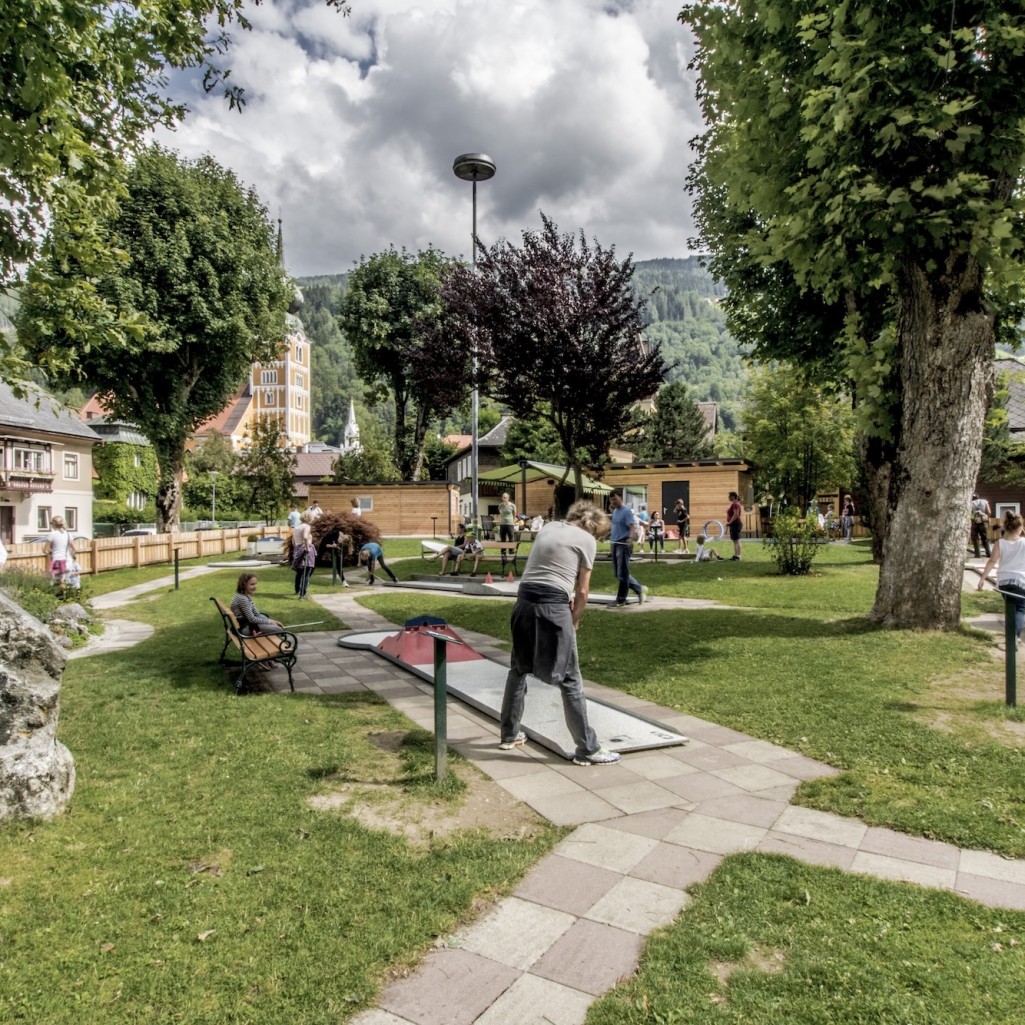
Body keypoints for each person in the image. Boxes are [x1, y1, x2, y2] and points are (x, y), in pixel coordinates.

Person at [498, 500, 621, 765]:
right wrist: (574, 620)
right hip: (553, 606)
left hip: (523, 603)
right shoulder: (587, 541)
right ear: (595, 528)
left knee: (518, 670)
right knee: (570, 678)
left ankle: (509, 734)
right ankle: (587, 749)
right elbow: (583, 592)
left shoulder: (549, 527)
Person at [978, 511, 1025, 639]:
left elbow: (992, 561)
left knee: (1010, 609)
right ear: (1020, 528)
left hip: (1004, 581)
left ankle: (1011, 636)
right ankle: (1014, 637)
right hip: (1020, 580)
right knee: (1020, 609)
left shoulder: (1000, 543)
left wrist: (983, 578)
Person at [608, 490, 646, 608]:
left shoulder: (626, 511)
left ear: (620, 498)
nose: (612, 501)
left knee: (623, 573)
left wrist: (630, 538)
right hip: (615, 543)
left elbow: (632, 526)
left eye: (614, 499)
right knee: (618, 574)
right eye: (611, 500)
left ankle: (620, 600)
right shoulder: (615, 511)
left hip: (623, 544)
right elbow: (615, 527)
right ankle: (639, 588)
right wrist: (605, 535)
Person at [292, 519, 316, 599]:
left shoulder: (296, 527)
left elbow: (293, 541)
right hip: (305, 549)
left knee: (299, 572)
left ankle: (297, 590)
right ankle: (303, 594)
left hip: (297, 549)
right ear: (309, 518)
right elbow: (305, 537)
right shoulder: (306, 526)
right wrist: (307, 548)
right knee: (306, 573)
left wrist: (297, 547)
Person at [46, 515, 74, 584]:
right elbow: (74, 548)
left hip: (57, 561)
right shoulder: (68, 534)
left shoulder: (52, 534)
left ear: (53, 524)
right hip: (68, 561)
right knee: (67, 582)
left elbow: (46, 549)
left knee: (55, 582)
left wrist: (49, 552)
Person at [970, 492, 992, 559]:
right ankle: (988, 553)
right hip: (983, 522)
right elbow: (989, 512)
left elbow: (970, 513)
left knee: (975, 538)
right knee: (985, 538)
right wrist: (986, 517)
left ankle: (977, 554)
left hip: (975, 522)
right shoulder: (985, 502)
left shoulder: (970, 503)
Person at [726, 491, 744, 560]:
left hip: (736, 524)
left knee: (736, 540)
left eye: (729, 496)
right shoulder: (735, 503)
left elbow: (736, 514)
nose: (728, 497)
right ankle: (736, 555)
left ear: (732, 496)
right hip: (734, 524)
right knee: (735, 540)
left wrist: (729, 522)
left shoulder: (735, 504)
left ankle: (738, 556)